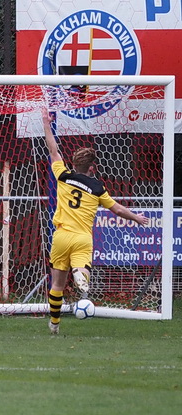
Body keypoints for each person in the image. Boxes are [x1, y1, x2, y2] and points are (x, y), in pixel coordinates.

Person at [42, 110, 149, 334]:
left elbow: (53, 150)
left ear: (74, 164)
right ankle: (81, 275)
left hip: (61, 235)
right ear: (92, 168)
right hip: (82, 238)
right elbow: (118, 209)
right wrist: (137, 218)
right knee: (82, 269)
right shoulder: (98, 188)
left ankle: (54, 324)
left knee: (57, 285)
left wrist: (45, 122)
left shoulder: (63, 175)